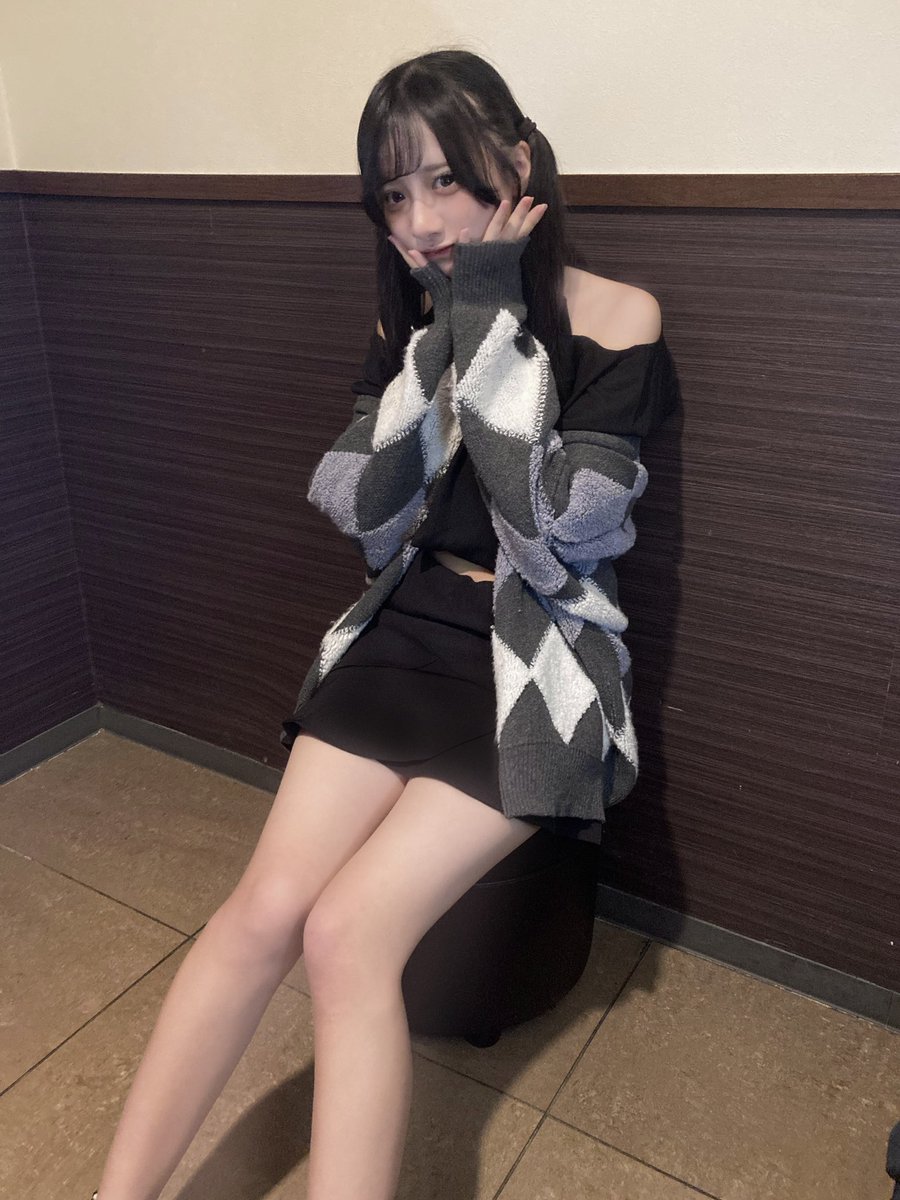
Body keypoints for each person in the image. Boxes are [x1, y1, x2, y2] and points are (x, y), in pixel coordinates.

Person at [90, 48, 679, 1200]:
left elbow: (556, 533)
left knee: (349, 935)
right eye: (394, 195)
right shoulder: (410, 317)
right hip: (409, 626)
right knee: (263, 912)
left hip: (539, 653)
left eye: (444, 181)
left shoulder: (621, 316)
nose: (418, 221)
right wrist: (443, 332)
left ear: (515, 162)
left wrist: (491, 311)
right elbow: (367, 512)